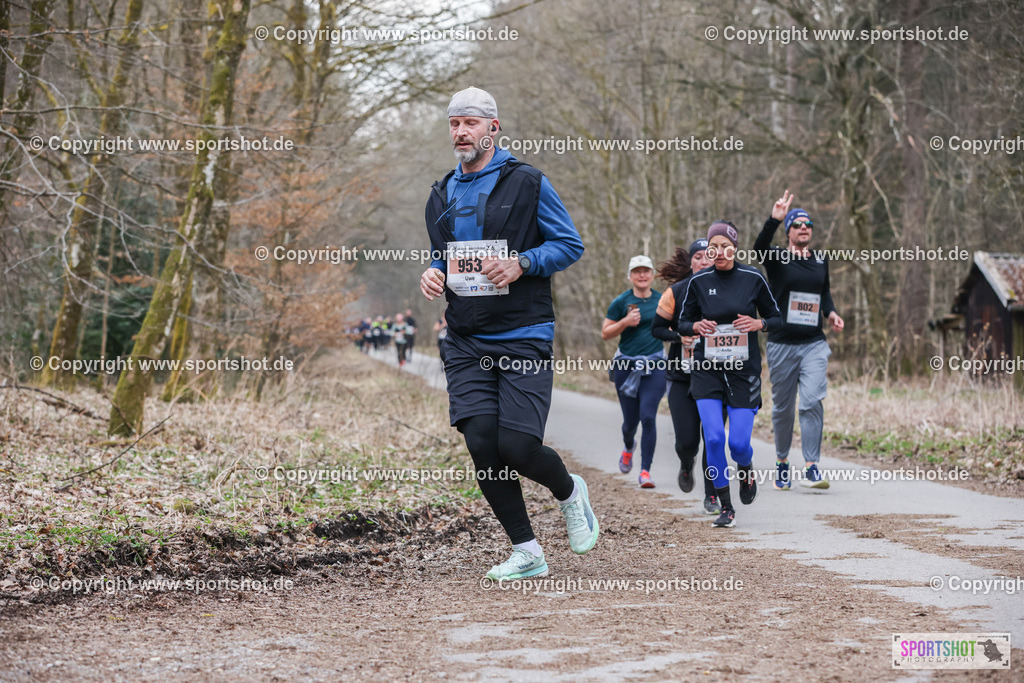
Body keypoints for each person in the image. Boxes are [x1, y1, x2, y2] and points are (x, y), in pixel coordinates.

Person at [419, 86, 597, 580]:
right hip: (466, 339)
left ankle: (569, 492)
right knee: (481, 442)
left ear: (493, 128)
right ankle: (527, 551)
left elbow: (568, 244)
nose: (460, 132)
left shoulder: (528, 182)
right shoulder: (440, 194)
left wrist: (523, 262)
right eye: (454, 123)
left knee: (517, 449)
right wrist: (433, 273)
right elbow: (445, 256)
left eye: (470, 123)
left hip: (523, 333)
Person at [679, 221, 782, 527]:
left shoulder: (753, 278)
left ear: (735, 248)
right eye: (714, 247)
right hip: (707, 370)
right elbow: (683, 323)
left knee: (737, 444)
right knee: (712, 437)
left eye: (726, 246)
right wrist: (696, 326)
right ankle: (726, 506)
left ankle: (746, 468)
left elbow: (777, 318)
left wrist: (758, 324)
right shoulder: (699, 282)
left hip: (743, 371)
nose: (719, 252)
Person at [753, 190, 844, 491]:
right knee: (782, 409)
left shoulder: (820, 260)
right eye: (797, 224)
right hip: (781, 344)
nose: (804, 228)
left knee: (811, 402)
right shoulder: (777, 257)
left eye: (808, 224)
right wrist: (774, 219)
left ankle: (811, 466)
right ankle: (781, 463)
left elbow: (824, 292)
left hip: (814, 343)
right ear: (789, 231)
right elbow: (759, 247)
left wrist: (830, 313)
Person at [651, 240, 721, 513]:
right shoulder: (675, 292)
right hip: (681, 376)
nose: (704, 261)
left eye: (709, 257)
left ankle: (712, 494)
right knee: (687, 441)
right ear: (691, 263)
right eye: (699, 257)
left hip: (715, 377)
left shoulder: (725, 292)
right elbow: (657, 329)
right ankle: (685, 461)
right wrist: (679, 336)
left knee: (713, 438)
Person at [602, 255, 667, 488]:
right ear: (630, 276)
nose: (642, 275)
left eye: (646, 271)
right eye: (637, 271)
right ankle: (629, 446)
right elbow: (606, 333)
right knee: (630, 423)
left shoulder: (662, 300)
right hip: (625, 366)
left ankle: (645, 472)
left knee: (648, 417)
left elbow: (674, 325)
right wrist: (625, 322)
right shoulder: (621, 301)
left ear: (652, 275)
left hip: (655, 365)